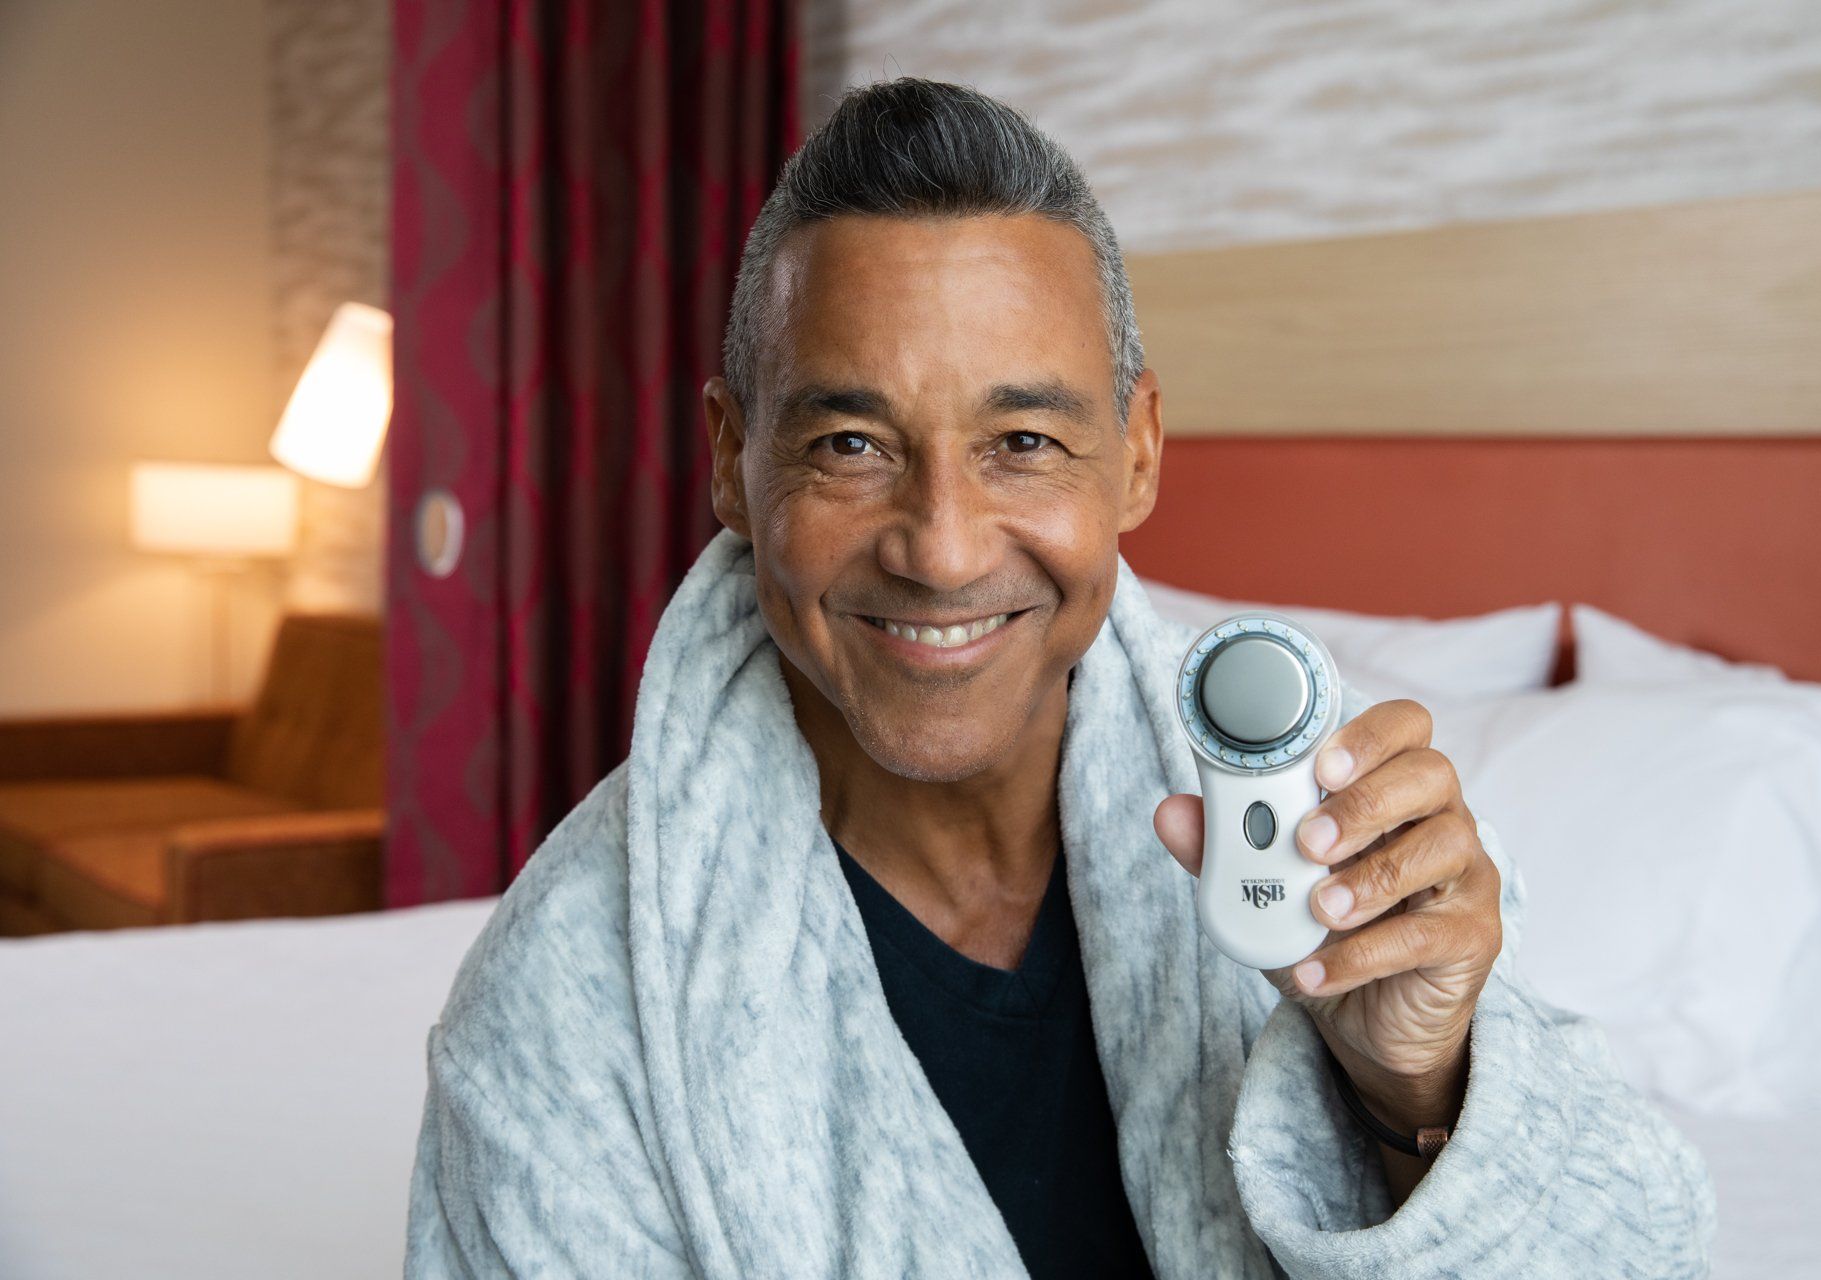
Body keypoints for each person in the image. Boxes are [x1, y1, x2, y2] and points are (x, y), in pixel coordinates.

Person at [405, 78, 1714, 1278]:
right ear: (730, 458)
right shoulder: (560, 1017)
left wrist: (1414, 1090)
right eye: (852, 444)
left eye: (1023, 439)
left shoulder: (1329, 846)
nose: (945, 547)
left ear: (1136, 453)